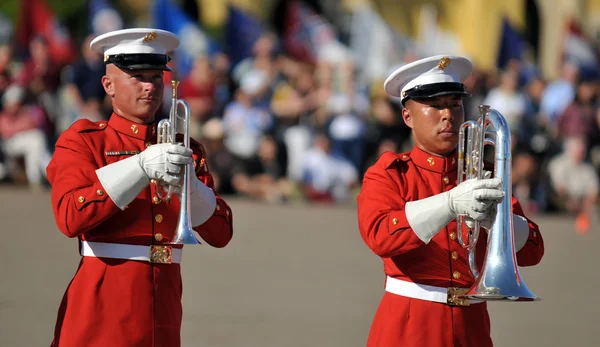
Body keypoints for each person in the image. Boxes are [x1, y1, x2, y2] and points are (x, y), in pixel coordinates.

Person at [46, 28, 233, 347]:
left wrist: (190, 189)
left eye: (156, 77)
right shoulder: (85, 141)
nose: (150, 86)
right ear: (109, 85)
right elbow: (69, 217)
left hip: (165, 305)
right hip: (103, 305)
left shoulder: (184, 148)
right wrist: (139, 167)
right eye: (137, 77)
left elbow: (221, 233)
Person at [356, 55, 544, 347]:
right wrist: (450, 203)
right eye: (435, 106)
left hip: (473, 326)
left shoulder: (484, 173)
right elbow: (380, 236)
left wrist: (496, 221)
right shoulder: (391, 173)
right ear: (408, 117)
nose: (448, 115)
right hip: (409, 324)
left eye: (455, 105)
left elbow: (533, 250)